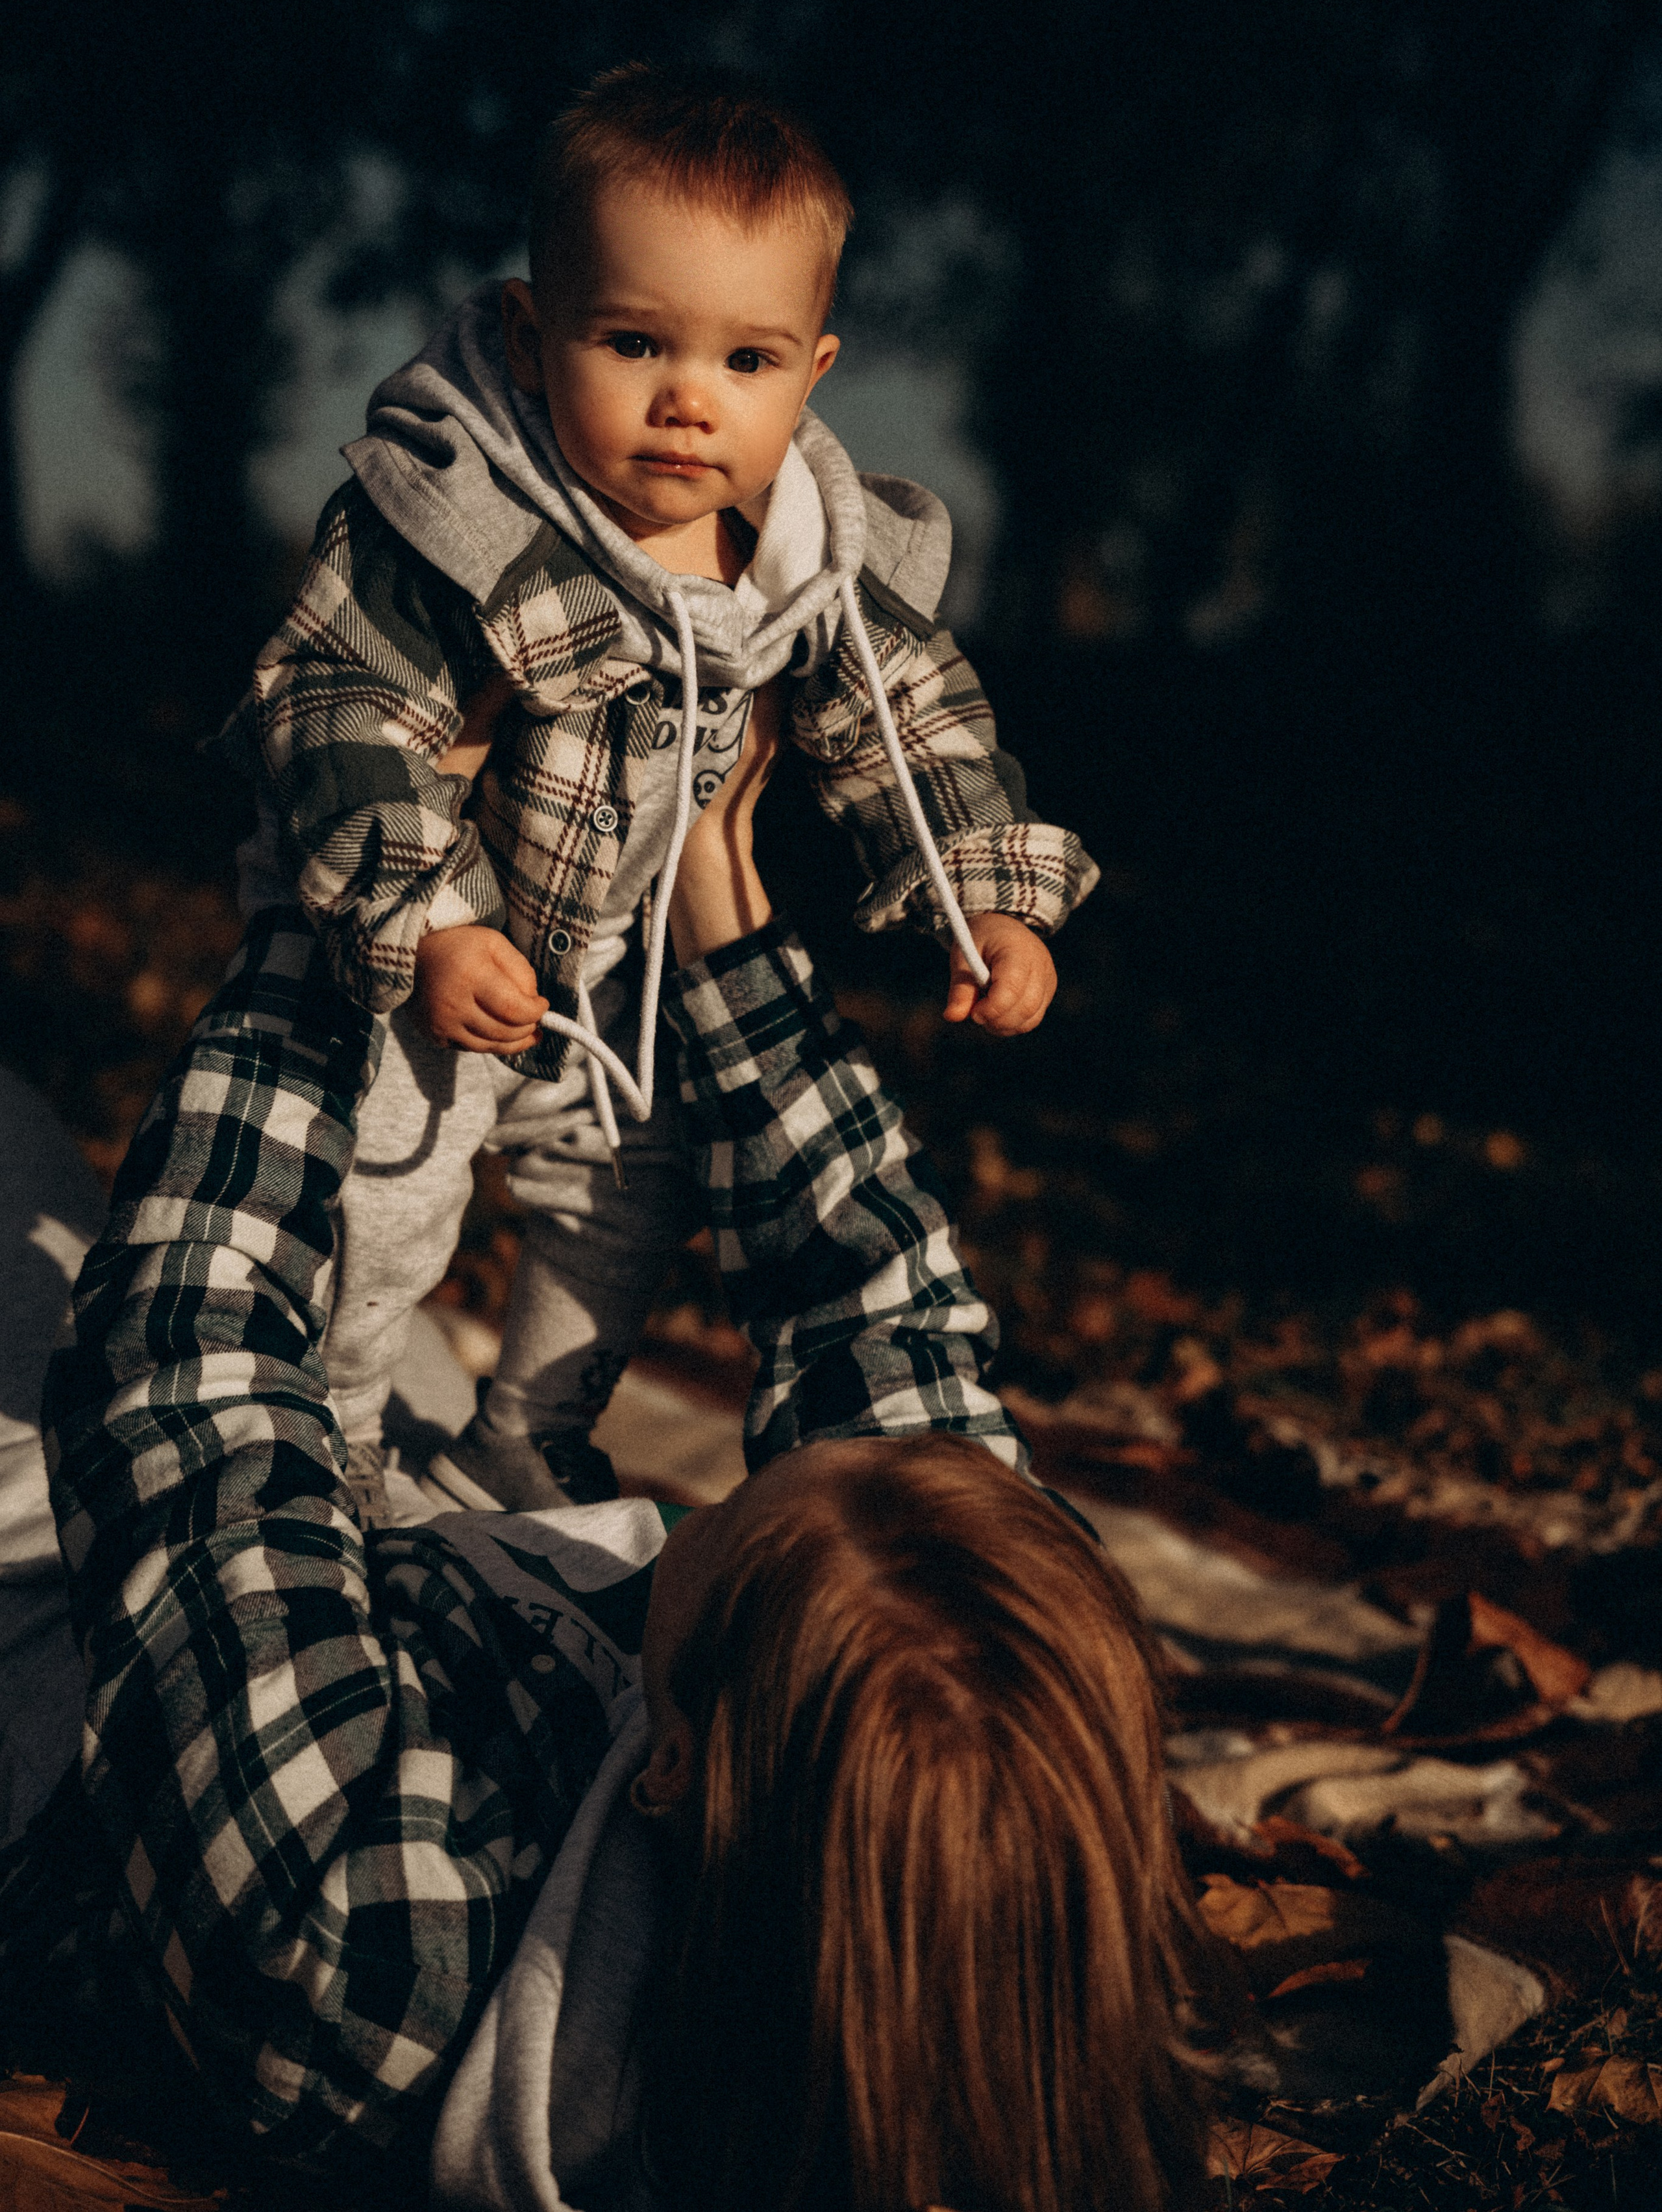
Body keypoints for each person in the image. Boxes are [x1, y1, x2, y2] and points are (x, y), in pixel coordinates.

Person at [3, 749, 1206, 2212]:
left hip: (79, 1661)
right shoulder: (1004, 1773)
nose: (687, 1507)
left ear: (673, 1762)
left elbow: (187, 1392)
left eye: (706, 1527)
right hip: (429, 1573)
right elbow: (879, 1312)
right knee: (390, 1274)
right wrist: (718, 893)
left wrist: (351, 906)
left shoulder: (364, 1959)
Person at [217, 60, 1098, 1518]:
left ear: (813, 371)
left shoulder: (802, 551)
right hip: (415, 943)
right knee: (391, 1184)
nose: (690, 403)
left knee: (629, 1185)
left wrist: (987, 894)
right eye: (634, 342)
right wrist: (428, 917)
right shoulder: (454, 512)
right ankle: (342, 1429)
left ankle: (525, 1432)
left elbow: (910, 723)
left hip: (604, 971)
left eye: (744, 363)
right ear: (530, 327)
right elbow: (331, 705)